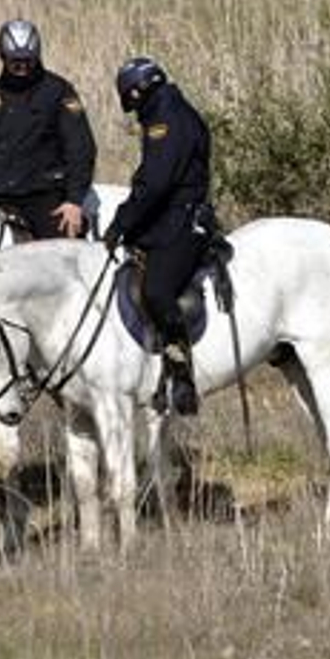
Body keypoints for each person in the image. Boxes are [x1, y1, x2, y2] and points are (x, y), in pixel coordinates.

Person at [100, 56, 214, 416]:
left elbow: (155, 184)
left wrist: (121, 223)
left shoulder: (166, 119)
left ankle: (182, 374)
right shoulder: (170, 109)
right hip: (170, 218)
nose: (134, 111)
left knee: (157, 289)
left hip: (183, 222)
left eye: (132, 103)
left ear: (136, 93)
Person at [0, 19, 97, 240]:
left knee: (60, 252)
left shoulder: (59, 92)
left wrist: (74, 201)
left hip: (44, 199)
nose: (22, 67)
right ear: (3, 57)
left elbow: (80, 149)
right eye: (15, 62)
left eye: (28, 60)